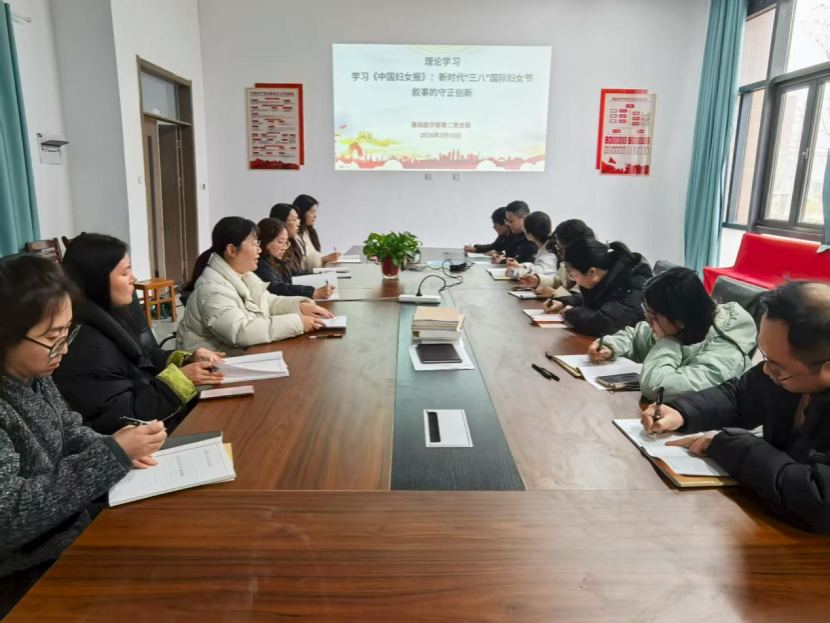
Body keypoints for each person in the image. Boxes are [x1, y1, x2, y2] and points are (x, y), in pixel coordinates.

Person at [0, 256, 166, 616]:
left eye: (66, 333)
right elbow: (8, 516)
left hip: (69, 528)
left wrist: (114, 445)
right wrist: (111, 455)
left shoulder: (33, 374)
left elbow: (70, 429)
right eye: (52, 338)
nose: (64, 349)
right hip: (25, 571)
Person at [641, 281, 830, 533]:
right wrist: (682, 412)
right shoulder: (785, 373)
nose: (767, 370)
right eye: (764, 356)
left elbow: (820, 499)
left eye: (778, 367)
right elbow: (739, 395)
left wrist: (731, 445)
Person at [54, 234, 224, 434]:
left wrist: (185, 360)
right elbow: (122, 417)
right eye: (125, 272)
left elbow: (142, 356)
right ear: (97, 279)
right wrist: (179, 381)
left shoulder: (108, 314)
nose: (133, 278)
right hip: (145, 438)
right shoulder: (88, 345)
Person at [588, 267, 757, 400]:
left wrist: (668, 342)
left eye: (653, 317)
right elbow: (637, 336)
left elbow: (657, 388)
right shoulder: (686, 326)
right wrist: (610, 345)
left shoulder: (725, 355)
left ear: (679, 319)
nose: (648, 322)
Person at [176, 217, 333, 355]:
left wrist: (300, 306)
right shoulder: (212, 289)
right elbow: (240, 331)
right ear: (232, 250)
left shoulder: (245, 276)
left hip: (241, 356)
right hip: (214, 367)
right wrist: (297, 323)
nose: (259, 250)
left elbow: (269, 302)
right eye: (254, 244)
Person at [544, 238, 652, 337]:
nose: (574, 280)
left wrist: (571, 312)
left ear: (592, 272)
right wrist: (564, 302)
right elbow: (600, 300)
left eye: (572, 275)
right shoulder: (611, 276)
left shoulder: (633, 284)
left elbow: (603, 323)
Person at [255, 218, 335, 299]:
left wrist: (319, 276)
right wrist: (313, 293)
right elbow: (276, 288)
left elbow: (296, 275)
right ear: (265, 241)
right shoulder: (260, 264)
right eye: (280, 242)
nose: (284, 247)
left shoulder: (279, 260)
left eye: (286, 242)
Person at [518, 219, 595, 297]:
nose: (559, 252)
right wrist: (538, 281)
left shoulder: (590, 268)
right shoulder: (571, 263)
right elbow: (563, 283)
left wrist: (555, 294)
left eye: (561, 247)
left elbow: (579, 298)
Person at [293, 194, 342, 271]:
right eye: (312, 212)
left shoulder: (307, 231)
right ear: (302, 212)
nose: (315, 216)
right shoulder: (293, 235)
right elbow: (299, 266)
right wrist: (324, 259)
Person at [505, 211, 558, 280]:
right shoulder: (545, 246)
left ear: (530, 234)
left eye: (524, 228)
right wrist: (523, 266)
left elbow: (535, 274)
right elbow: (536, 267)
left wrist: (512, 271)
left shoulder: (549, 254)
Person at [492, 200, 537, 264]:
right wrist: (499, 256)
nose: (508, 224)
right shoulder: (515, 235)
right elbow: (513, 256)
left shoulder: (535, 237)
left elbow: (530, 263)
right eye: (507, 221)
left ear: (524, 219)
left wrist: (505, 261)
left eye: (511, 221)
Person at [269, 203, 306, 275]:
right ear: (281, 222)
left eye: (298, 220)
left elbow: (297, 273)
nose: (298, 224)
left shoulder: (293, 244)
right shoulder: (276, 249)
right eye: (294, 220)